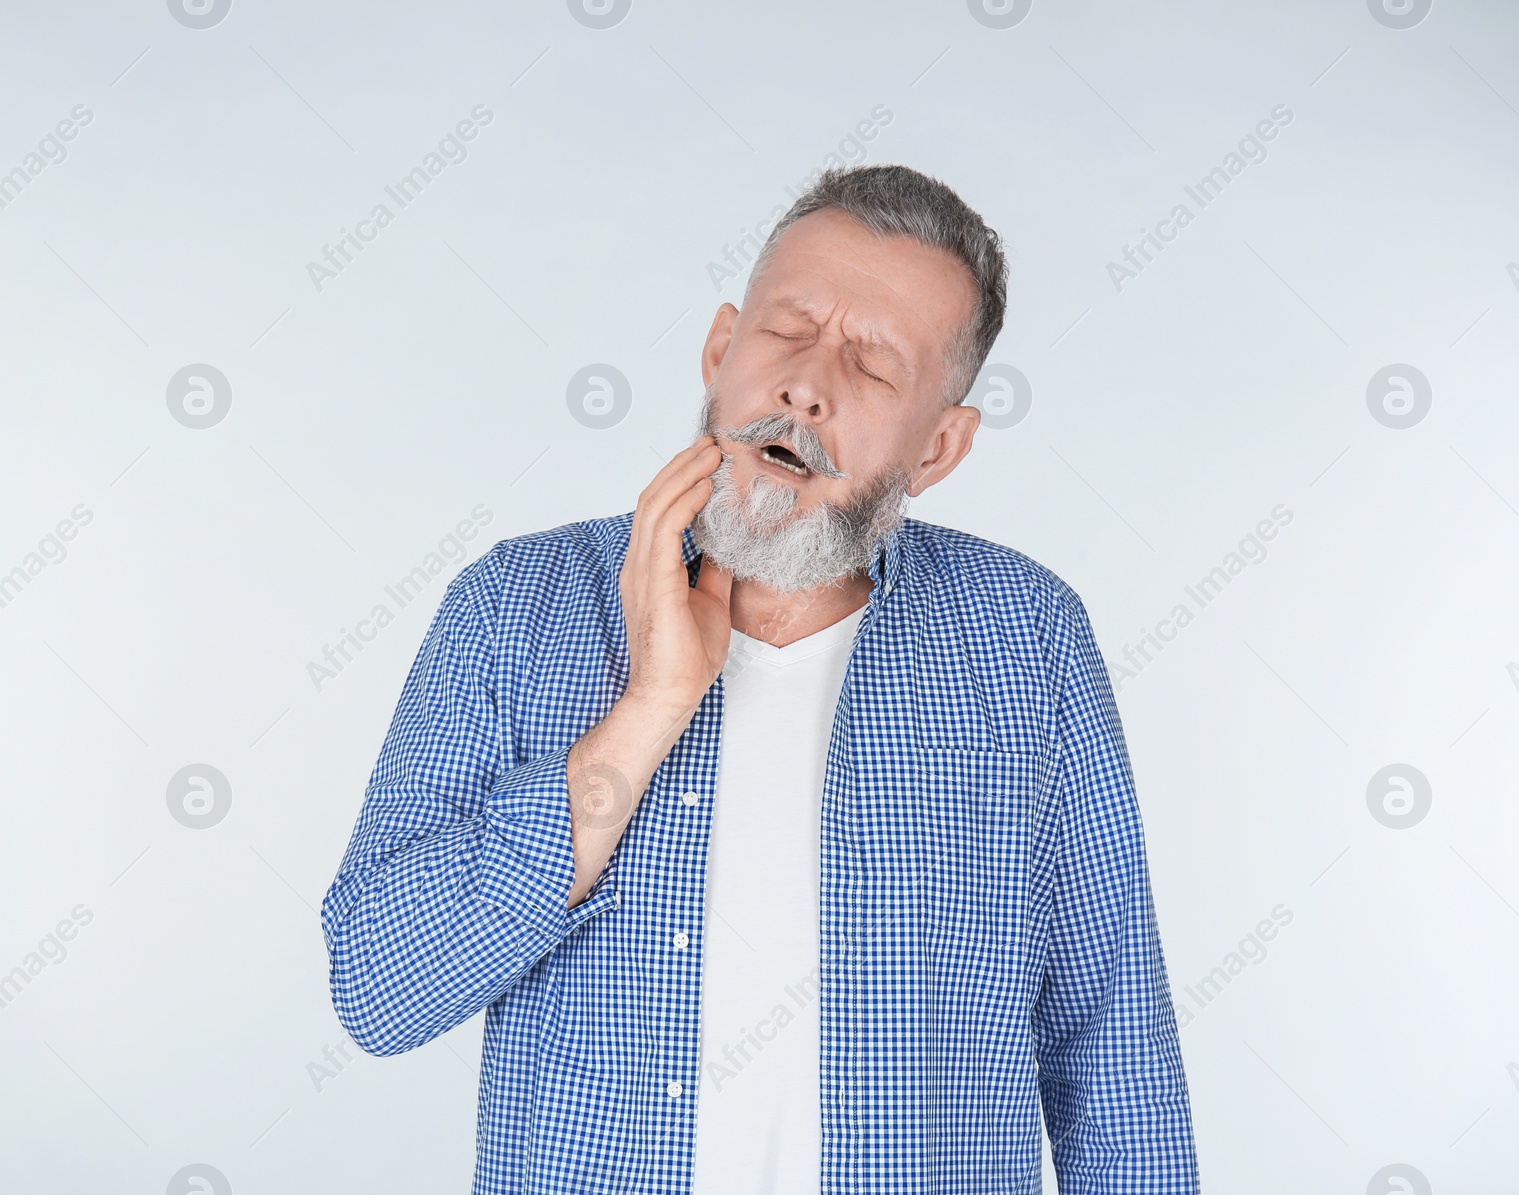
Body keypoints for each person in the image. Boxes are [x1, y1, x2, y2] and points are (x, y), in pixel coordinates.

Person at [320, 164, 1199, 1194]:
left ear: (940, 446)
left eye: (871, 365)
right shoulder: (513, 606)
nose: (805, 386)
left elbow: (1112, 1051)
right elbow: (379, 987)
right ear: (719, 349)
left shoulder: (1028, 638)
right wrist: (648, 711)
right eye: (786, 331)